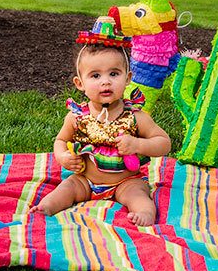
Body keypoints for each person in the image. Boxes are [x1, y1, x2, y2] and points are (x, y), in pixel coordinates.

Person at [30, 16, 171, 226]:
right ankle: (47, 207)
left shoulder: (135, 116)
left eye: (114, 73)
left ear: (128, 78)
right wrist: (63, 156)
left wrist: (138, 144)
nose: (105, 81)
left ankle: (145, 214)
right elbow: (60, 141)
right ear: (80, 83)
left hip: (125, 181)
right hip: (86, 180)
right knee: (66, 188)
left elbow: (164, 143)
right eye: (95, 76)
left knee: (139, 194)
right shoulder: (77, 116)